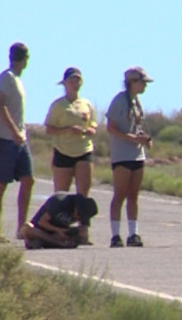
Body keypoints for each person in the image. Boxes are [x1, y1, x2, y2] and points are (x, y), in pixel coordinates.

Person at [0, 42, 34, 239]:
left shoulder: (17, 79)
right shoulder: (6, 77)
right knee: (1, 184)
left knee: (28, 179)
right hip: (5, 139)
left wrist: (20, 133)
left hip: (19, 139)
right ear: (24, 60)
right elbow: (0, 105)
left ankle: (21, 227)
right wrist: (14, 131)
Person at [105, 66, 154, 247]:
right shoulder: (119, 100)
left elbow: (137, 126)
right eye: (142, 82)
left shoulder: (136, 102)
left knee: (134, 195)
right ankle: (115, 235)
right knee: (120, 195)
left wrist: (144, 139)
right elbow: (110, 127)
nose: (145, 86)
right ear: (132, 82)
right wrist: (130, 138)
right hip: (122, 156)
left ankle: (133, 234)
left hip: (137, 155)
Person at [44, 67, 97, 199]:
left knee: (83, 196)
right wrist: (68, 130)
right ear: (65, 83)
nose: (75, 83)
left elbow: (93, 125)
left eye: (78, 80)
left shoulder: (86, 104)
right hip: (63, 151)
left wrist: (90, 130)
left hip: (84, 150)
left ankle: (83, 218)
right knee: (61, 196)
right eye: (72, 80)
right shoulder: (58, 105)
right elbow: (49, 129)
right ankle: (58, 219)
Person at [21, 192, 99, 250]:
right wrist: (60, 230)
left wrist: (76, 233)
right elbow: (41, 222)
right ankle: (59, 244)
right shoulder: (59, 202)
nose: (77, 218)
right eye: (78, 215)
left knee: (76, 236)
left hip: (59, 234)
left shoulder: (84, 211)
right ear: (76, 207)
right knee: (27, 228)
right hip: (41, 230)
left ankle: (55, 242)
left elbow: (84, 233)